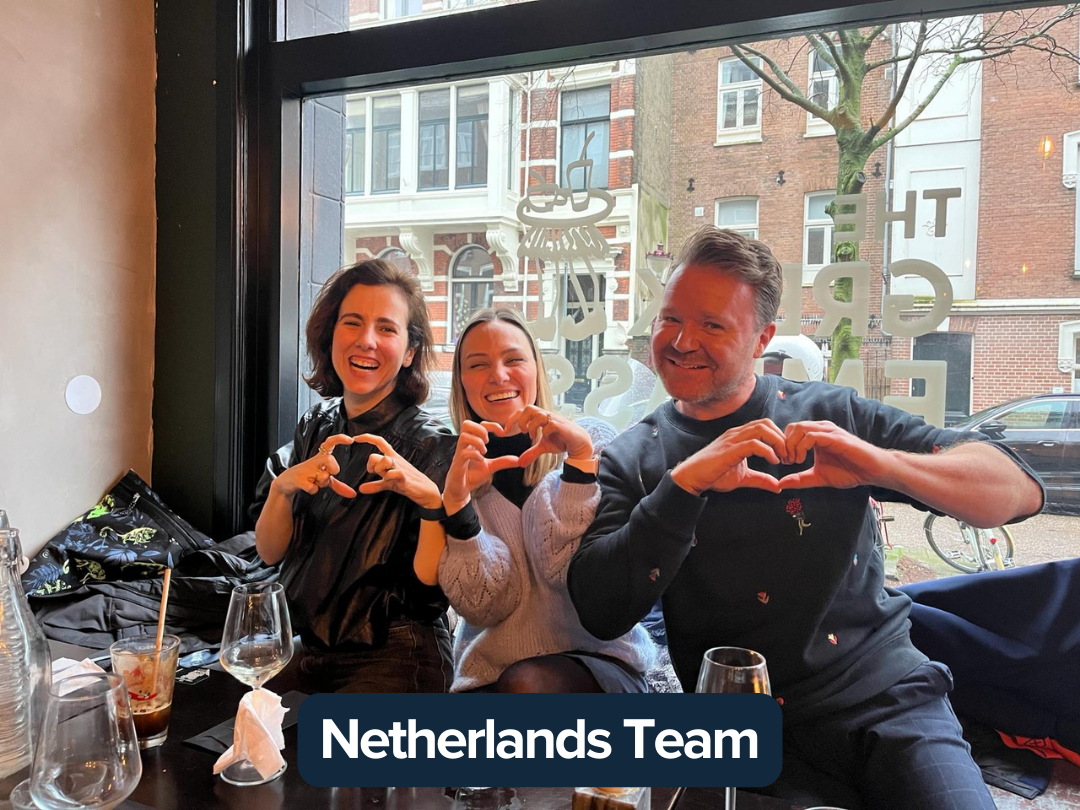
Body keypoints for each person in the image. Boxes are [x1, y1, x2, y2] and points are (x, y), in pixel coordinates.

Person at [567, 227, 1044, 809]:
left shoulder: (827, 414)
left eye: (712, 325)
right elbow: (599, 608)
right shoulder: (635, 456)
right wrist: (684, 486)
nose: (681, 340)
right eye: (670, 319)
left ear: (762, 338)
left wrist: (884, 466)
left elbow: (1016, 491)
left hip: (886, 702)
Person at [375, 307, 654, 693]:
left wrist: (579, 470)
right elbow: (483, 608)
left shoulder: (593, 443)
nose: (498, 376)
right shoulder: (449, 472)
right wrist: (458, 507)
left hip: (600, 665)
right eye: (478, 364)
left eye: (514, 359)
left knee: (528, 686)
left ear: (536, 368)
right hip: (491, 678)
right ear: (461, 382)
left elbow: (572, 581)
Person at [252, 258, 456, 693]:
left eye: (386, 328)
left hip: (395, 652)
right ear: (331, 335)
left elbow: (430, 596)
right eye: (353, 323)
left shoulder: (434, 447)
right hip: (307, 647)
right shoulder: (315, 425)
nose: (366, 341)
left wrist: (430, 501)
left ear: (410, 352)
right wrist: (282, 488)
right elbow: (270, 554)